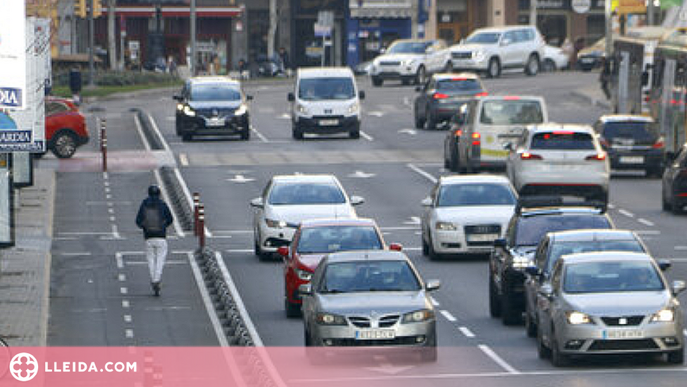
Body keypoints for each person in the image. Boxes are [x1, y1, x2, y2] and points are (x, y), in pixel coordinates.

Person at [135, 185, 174, 296]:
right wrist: (163, 226)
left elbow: (138, 221)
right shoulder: (162, 204)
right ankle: (156, 280)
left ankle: (154, 280)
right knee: (160, 260)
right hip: (161, 237)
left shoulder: (144, 204)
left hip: (148, 237)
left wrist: (145, 227)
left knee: (151, 260)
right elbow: (170, 219)